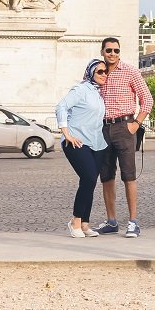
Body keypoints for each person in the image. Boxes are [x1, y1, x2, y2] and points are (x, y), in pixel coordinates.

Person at [93, 36, 153, 238]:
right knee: (106, 176)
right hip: (102, 129)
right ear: (102, 51)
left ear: (120, 52)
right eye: (108, 50)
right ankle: (111, 221)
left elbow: (147, 100)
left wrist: (136, 124)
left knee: (129, 175)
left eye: (116, 50)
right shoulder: (96, 73)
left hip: (124, 126)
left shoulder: (130, 71)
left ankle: (133, 221)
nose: (112, 54)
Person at [54, 59, 109, 238]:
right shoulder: (81, 89)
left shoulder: (98, 93)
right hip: (76, 141)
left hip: (97, 143)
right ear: (91, 72)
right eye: (99, 71)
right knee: (88, 177)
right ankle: (75, 220)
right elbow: (61, 106)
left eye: (105, 71)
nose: (103, 74)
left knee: (90, 182)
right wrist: (66, 132)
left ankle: (85, 224)